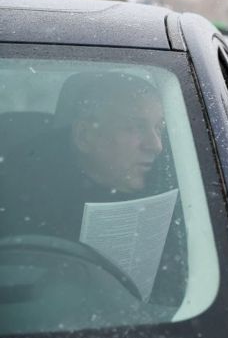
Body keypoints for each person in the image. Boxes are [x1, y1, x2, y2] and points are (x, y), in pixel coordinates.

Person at [0, 71, 166, 239]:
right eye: (136, 127)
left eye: (159, 128)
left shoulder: (174, 180)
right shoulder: (15, 203)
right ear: (85, 136)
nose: (156, 146)